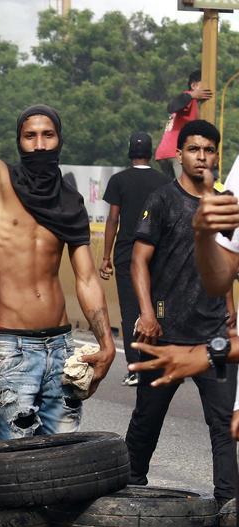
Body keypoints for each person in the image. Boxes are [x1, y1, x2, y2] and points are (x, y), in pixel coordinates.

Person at [0, 39, 115, 440]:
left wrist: (106, 340)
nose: (40, 144)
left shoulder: (69, 201)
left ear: (59, 140)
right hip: (12, 349)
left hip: (63, 347)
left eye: (48, 135)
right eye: (31, 136)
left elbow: (85, 278)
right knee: (13, 464)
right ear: (19, 141)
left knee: (65, 461)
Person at [127, 119, 236, 502]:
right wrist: (148, 315)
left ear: (216, 156)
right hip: (165, 336)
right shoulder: (161, 200)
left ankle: (229, 512)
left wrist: (229, 309)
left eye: (208, 150)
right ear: (180, 154)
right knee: (146, 420)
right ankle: (127, 490)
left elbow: (227, 265)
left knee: (225, 429)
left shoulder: (225, 204)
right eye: (194, 149)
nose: (201, 157)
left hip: (214, 342)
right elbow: (138, 261)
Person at [98, 132, 169, 385]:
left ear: (130, 152)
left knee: (131, 311)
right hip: (156, 254)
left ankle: (135, 368)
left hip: (127, 254)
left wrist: (106, 256)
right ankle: (157, 361)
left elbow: (113, 219)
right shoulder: (163, 181)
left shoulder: (119, 181)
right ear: (150, 153)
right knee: (157, 307)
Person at [156, 71, 213, 179]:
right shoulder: (188, 99)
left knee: (172, 192)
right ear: (194, 85)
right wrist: (192, 94)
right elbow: (171, 106)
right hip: (175, 153)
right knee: (185, 190)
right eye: (204, 84)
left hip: (164, 153)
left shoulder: (193, 104)